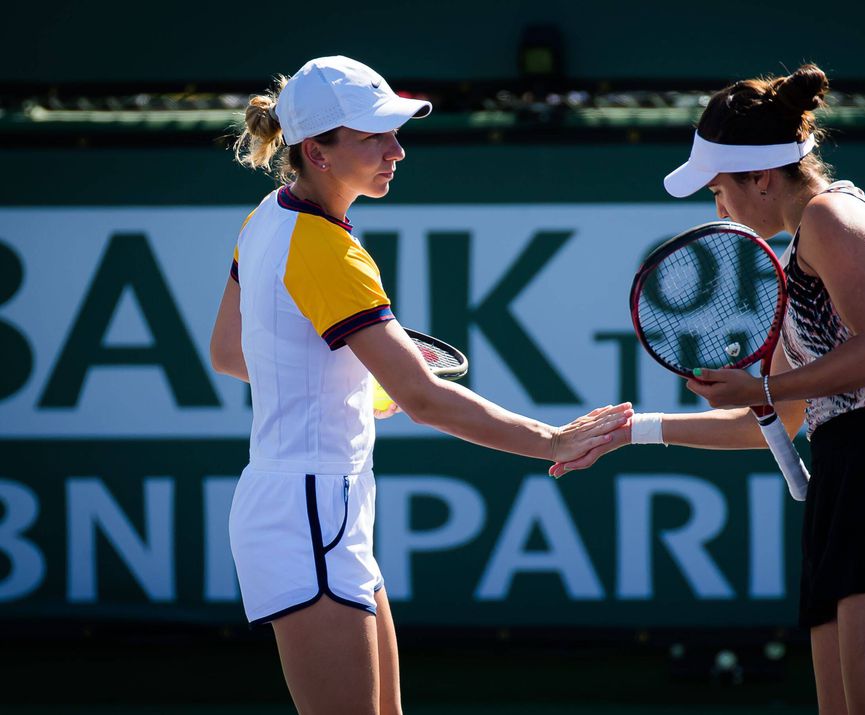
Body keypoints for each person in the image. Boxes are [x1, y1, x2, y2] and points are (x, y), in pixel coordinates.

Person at [554, 64, 865, 715]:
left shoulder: (831, 215)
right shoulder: (799, 255)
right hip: (850, 481)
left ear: (760, 176)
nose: (718, 206)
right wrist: (633, 429)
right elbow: (775, 420)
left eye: (719, 188)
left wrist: (759, 381)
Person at [208, 56, 631, 715]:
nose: (397, 151)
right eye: (374, 137)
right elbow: (425, 399)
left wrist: (359, 383)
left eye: (394, 133)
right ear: (317, 152)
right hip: (310, 511)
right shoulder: (327, 250)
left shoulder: (266, 217)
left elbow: (232, 352)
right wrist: (552, 438)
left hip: (318, 507)